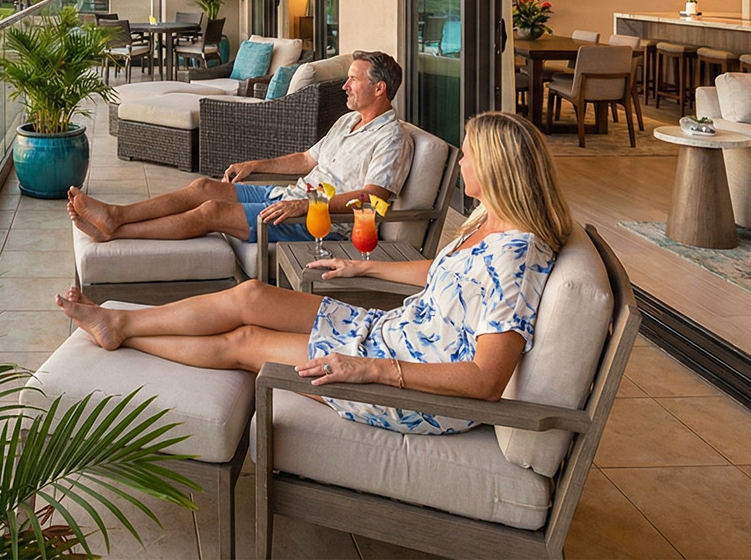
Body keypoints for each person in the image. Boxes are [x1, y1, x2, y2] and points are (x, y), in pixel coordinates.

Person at [56, 110, 571, 434]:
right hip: (386, 334)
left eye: (471, 154)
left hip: (409, 386)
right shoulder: (486, 222)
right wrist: (359, 267)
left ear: (499, 169)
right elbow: (442, 271)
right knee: (252, 293)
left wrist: (371, 370)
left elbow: (485, 379)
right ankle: (121, 315)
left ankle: (118, 326)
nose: (461, 162)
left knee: (246, 339)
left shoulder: (515, 256)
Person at [69, 51, 409, 244]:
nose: (345, 86)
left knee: (210, 212)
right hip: (289, 198)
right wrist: (254, 164)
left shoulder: (391, 138)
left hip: (324, 223)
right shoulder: (348, 121)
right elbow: (307, 159)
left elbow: (371, 198)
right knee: (203, 187)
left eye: (354, 80)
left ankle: (117, 232)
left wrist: (306, 206)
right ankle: (116, 215)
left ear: (379, 89)